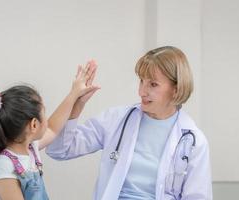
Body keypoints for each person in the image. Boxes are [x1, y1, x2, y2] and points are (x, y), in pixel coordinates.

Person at [46, 46, 212, 200]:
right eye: (141, 81)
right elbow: (59, 150)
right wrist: (77, 104)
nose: (141, 92)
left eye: (153, 84)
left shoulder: (194, 142)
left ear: (176, 89)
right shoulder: (117, 119)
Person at [0, 61, 100, 200]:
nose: (47, 119)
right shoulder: (4, 165)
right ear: (34, 125)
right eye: (44, 113)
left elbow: (53, 128)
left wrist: (76, 96)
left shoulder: (30, 149)